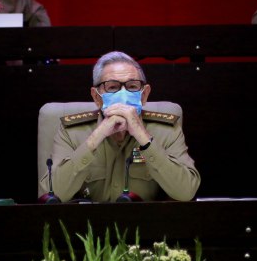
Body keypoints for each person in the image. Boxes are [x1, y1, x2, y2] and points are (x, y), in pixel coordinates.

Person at [41, 51, 201, 202]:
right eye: (112, 87)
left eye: (132, 86)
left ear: (144, 94)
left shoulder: (166, 130)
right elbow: (49, 196)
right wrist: (96, 137)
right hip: (88, 221)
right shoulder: (71, 132)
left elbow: (186, 192)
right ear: (96, 97)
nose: (123, 95)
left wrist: (143, 136)